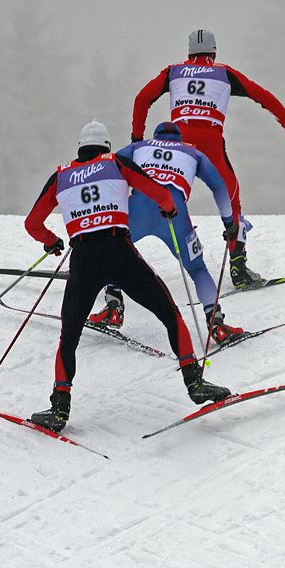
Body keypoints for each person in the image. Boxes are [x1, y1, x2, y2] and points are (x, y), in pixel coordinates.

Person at [24, 120, 231, 432]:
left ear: (80, 147)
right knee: (169, 314)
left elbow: (32, 223)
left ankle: (59, 408)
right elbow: (159, 194)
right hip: (120, 252)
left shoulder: (61, 176)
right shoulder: (116, 163)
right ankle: (194, 382)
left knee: (69, 337)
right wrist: (168, 209)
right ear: (106, 146)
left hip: (83, 258)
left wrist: (52, 241)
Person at [131, 29, 285, 288]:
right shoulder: (225, 72)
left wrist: (138, 140)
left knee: (160, 194)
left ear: (189, 53)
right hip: (211, 144)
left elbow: (142, 98)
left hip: (180, 144)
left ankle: (113, 256)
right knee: (230, 197)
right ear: (214, 52)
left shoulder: (173, 71)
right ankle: (238, 267)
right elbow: (265, 98)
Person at [89, 121, 245, 345]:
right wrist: (229, 222)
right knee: (197, 269)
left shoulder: (140, 146)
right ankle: (216, 323)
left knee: (114, 254)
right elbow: (219, 185)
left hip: (138, 208)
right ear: (179, 140)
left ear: (156, 136)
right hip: (173, 213)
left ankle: (113, 308)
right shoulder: (193, 151)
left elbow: (108, 166)